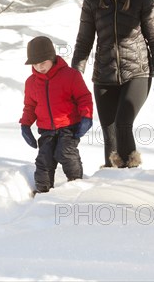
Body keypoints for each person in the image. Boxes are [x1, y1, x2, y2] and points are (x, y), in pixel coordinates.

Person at [71, 0, 154, 168]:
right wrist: (74, 75)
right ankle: (111, 182)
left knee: (123, 123)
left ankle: (131, 174)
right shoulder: (93, 0)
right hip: (104, 75)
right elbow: (84, 41)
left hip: (137, 72)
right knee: (110, 133)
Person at [19, 36, 93, 193]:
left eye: (43, 62)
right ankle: (43, 192)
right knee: (44, 160)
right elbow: (30, 106)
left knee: (65, 152)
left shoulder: (70, 75)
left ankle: (77, 185)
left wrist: (86, 117)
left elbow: (84, 98)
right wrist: (25, 124)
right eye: (35, 63)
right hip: (46, 130)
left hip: (69, 127)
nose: (39, 67)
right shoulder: (31, 82)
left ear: (52, 57)